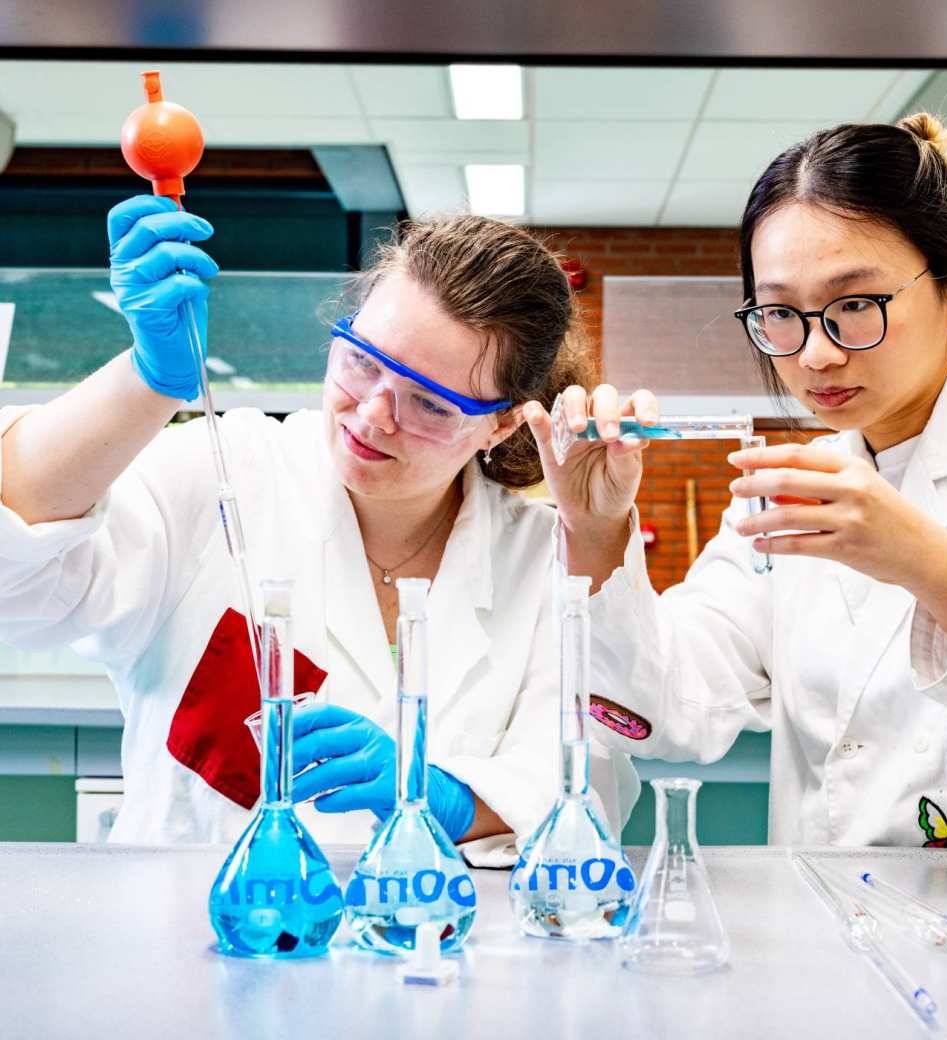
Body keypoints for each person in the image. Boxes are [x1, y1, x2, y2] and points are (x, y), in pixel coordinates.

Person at [0, 196, 638, 863]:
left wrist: (438, 797)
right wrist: (146, 381)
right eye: (363, 360)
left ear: (501, 423)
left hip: (441, 950)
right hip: (191, 946)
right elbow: (19, 581)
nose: (372, 415)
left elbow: (582, 787)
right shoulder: (223, 473)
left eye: (428, 402)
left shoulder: (540, 558)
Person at [524, 113, 947, 849]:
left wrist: (931, 566)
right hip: (827, 937)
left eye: (855, 305)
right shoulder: (783, 495)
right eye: (780, 314)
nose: (816, 354)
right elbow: (669, 710)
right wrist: (595, 528)